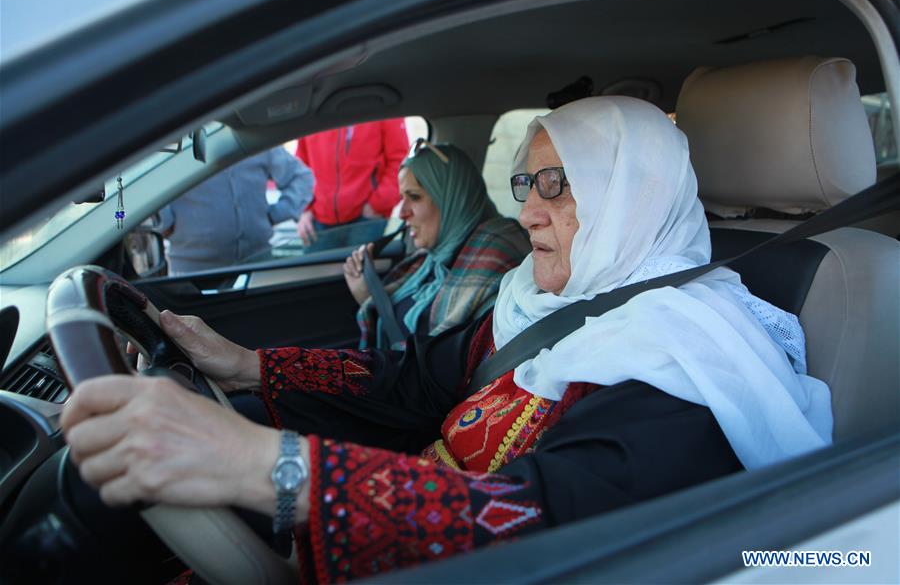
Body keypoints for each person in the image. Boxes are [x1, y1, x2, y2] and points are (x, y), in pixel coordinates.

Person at [61, 97, 832, 582]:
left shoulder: (687, 362)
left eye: (559, 184)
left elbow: (540, 527)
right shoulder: (541, 304)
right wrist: (246, 364)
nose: (530, 212)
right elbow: (416, 383)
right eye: (528, 185)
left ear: (634, 196)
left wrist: (264, 466)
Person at [343, 141, 530, 349]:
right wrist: (368, 296)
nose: (402, 212)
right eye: (401, 198)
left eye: (414, 197)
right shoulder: (430, 261)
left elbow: (440, 360)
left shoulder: (496, 259)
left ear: (451, 197)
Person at [158, 147, 314, 274]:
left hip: (256, 265)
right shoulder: (181, 143)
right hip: (192, 272)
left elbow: (302, 178)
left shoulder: (256, 141)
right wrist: (164, 223)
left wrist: (275, 215)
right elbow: (153, 185)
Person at [294, 119, 408, 248]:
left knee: (361, 267)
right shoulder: (315, 113)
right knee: (315, 268)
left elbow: (400, 161)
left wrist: (377, 204)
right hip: (318, 221)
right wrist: (305, 209)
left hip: (366, 220)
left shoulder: (382, 106)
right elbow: (301, 166)